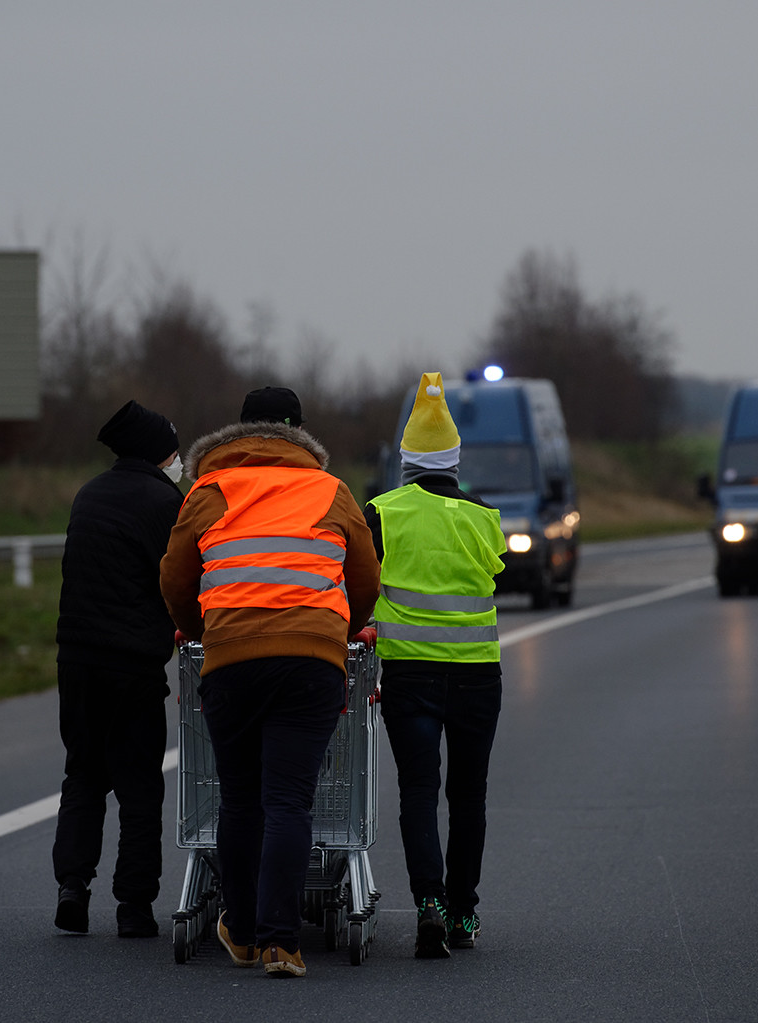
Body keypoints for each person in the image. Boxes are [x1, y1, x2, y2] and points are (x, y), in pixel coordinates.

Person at [160, 386, 380, 978]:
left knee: (239, 798)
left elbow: (176, 576)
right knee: (289, 800)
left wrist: (193, 628)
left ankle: (245, 929)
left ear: (239, 435)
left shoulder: (208, 491)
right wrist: (345, 627)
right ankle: (283, 943)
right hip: (312, 664)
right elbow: (364, 577)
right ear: (299, 438)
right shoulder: (330, 491)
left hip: (230, 659)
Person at [365, 373, 507, 958]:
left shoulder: (381, 514)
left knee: (419, 790)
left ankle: (429, 902)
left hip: (410, 675)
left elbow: (358, 582)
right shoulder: (484, 516)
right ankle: (464, 916)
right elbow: (496, 571)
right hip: (477, 676)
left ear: (405, 460)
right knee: (468, 796)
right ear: (453, 460)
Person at [52, 399, 184, 938]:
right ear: (158, 454)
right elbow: (178, 579)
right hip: (133, 666)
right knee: (138, 789)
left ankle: (72, 890)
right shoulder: (164, 501)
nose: (179, 462)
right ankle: (133, 906)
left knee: (83, 774)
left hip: (77, 661)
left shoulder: (89, 495)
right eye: (175, 451)